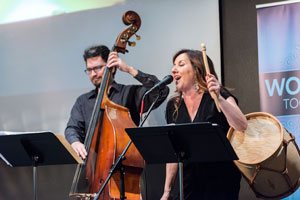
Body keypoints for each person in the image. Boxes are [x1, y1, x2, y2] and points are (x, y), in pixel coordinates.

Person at [160, 49, 248, 200]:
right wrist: (167, 191)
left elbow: (241, 125)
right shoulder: (173, 106)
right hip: (189, 185)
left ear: (197, 69)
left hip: (221, 183)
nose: (173, 69)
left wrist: (219, 97)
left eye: (180, 64)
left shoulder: (218, 96)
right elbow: (174, 153)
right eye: (174, 65)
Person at [64, 44, 169, 159]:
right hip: (93, 168)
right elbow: (72, 128)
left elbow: (161, 91)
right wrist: (75, 142)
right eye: (89, 70)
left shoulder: (130, 93)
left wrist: (129, 69)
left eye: (98, 68)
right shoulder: (83, 101)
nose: (93, 74)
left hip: (127, 165)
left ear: (112, 67)